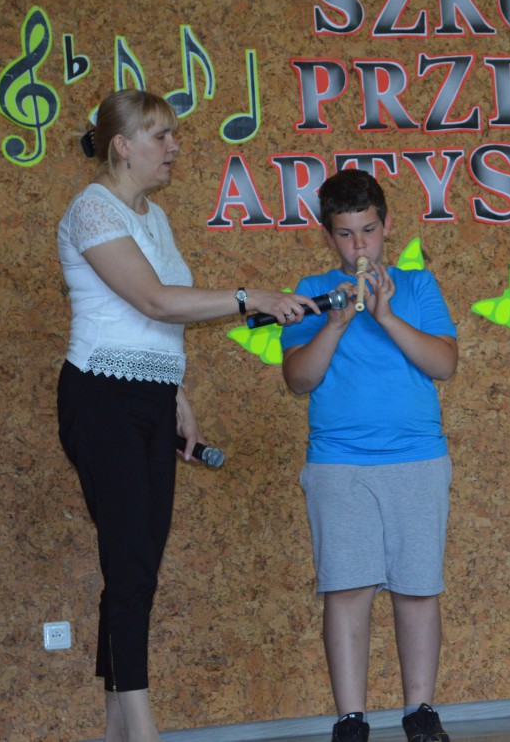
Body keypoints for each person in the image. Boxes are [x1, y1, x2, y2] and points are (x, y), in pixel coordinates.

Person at [57, 88, 318, 742]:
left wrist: (176, 396)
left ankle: (116, 731)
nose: (174, 147)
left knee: (139, 565)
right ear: (123, 146)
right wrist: (250, 296)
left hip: (150, 397)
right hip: (100, 398)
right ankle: (143, 731)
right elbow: (154, 300)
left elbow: (159, 327)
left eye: (174, 135)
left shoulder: (156, 218)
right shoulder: (92, 210)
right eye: (161, 136)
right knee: (129, 564)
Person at [281, 168, 459, 742]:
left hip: (416, 457)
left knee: (417, 587)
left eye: (368, 230)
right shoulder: (313, 291)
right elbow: (299, 380)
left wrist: (384, 315)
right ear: (328, 235)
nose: (359, 246)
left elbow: (444, 363)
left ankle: (419, 711)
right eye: (345, 233)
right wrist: (335, 323)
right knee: (347, 588)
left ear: (386, 226)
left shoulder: (417, 286)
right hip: (339, 462)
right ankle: (351, 720)